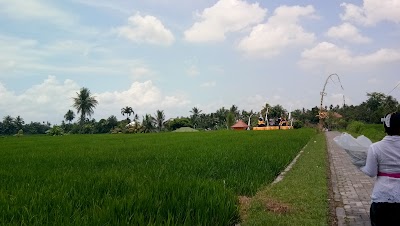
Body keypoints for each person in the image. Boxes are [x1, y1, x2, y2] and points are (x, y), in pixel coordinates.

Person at [361, 112, 400, 226]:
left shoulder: (375, 147)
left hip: (382, 197)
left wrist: (360, 165)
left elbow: (371, 172)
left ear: (386, 127)